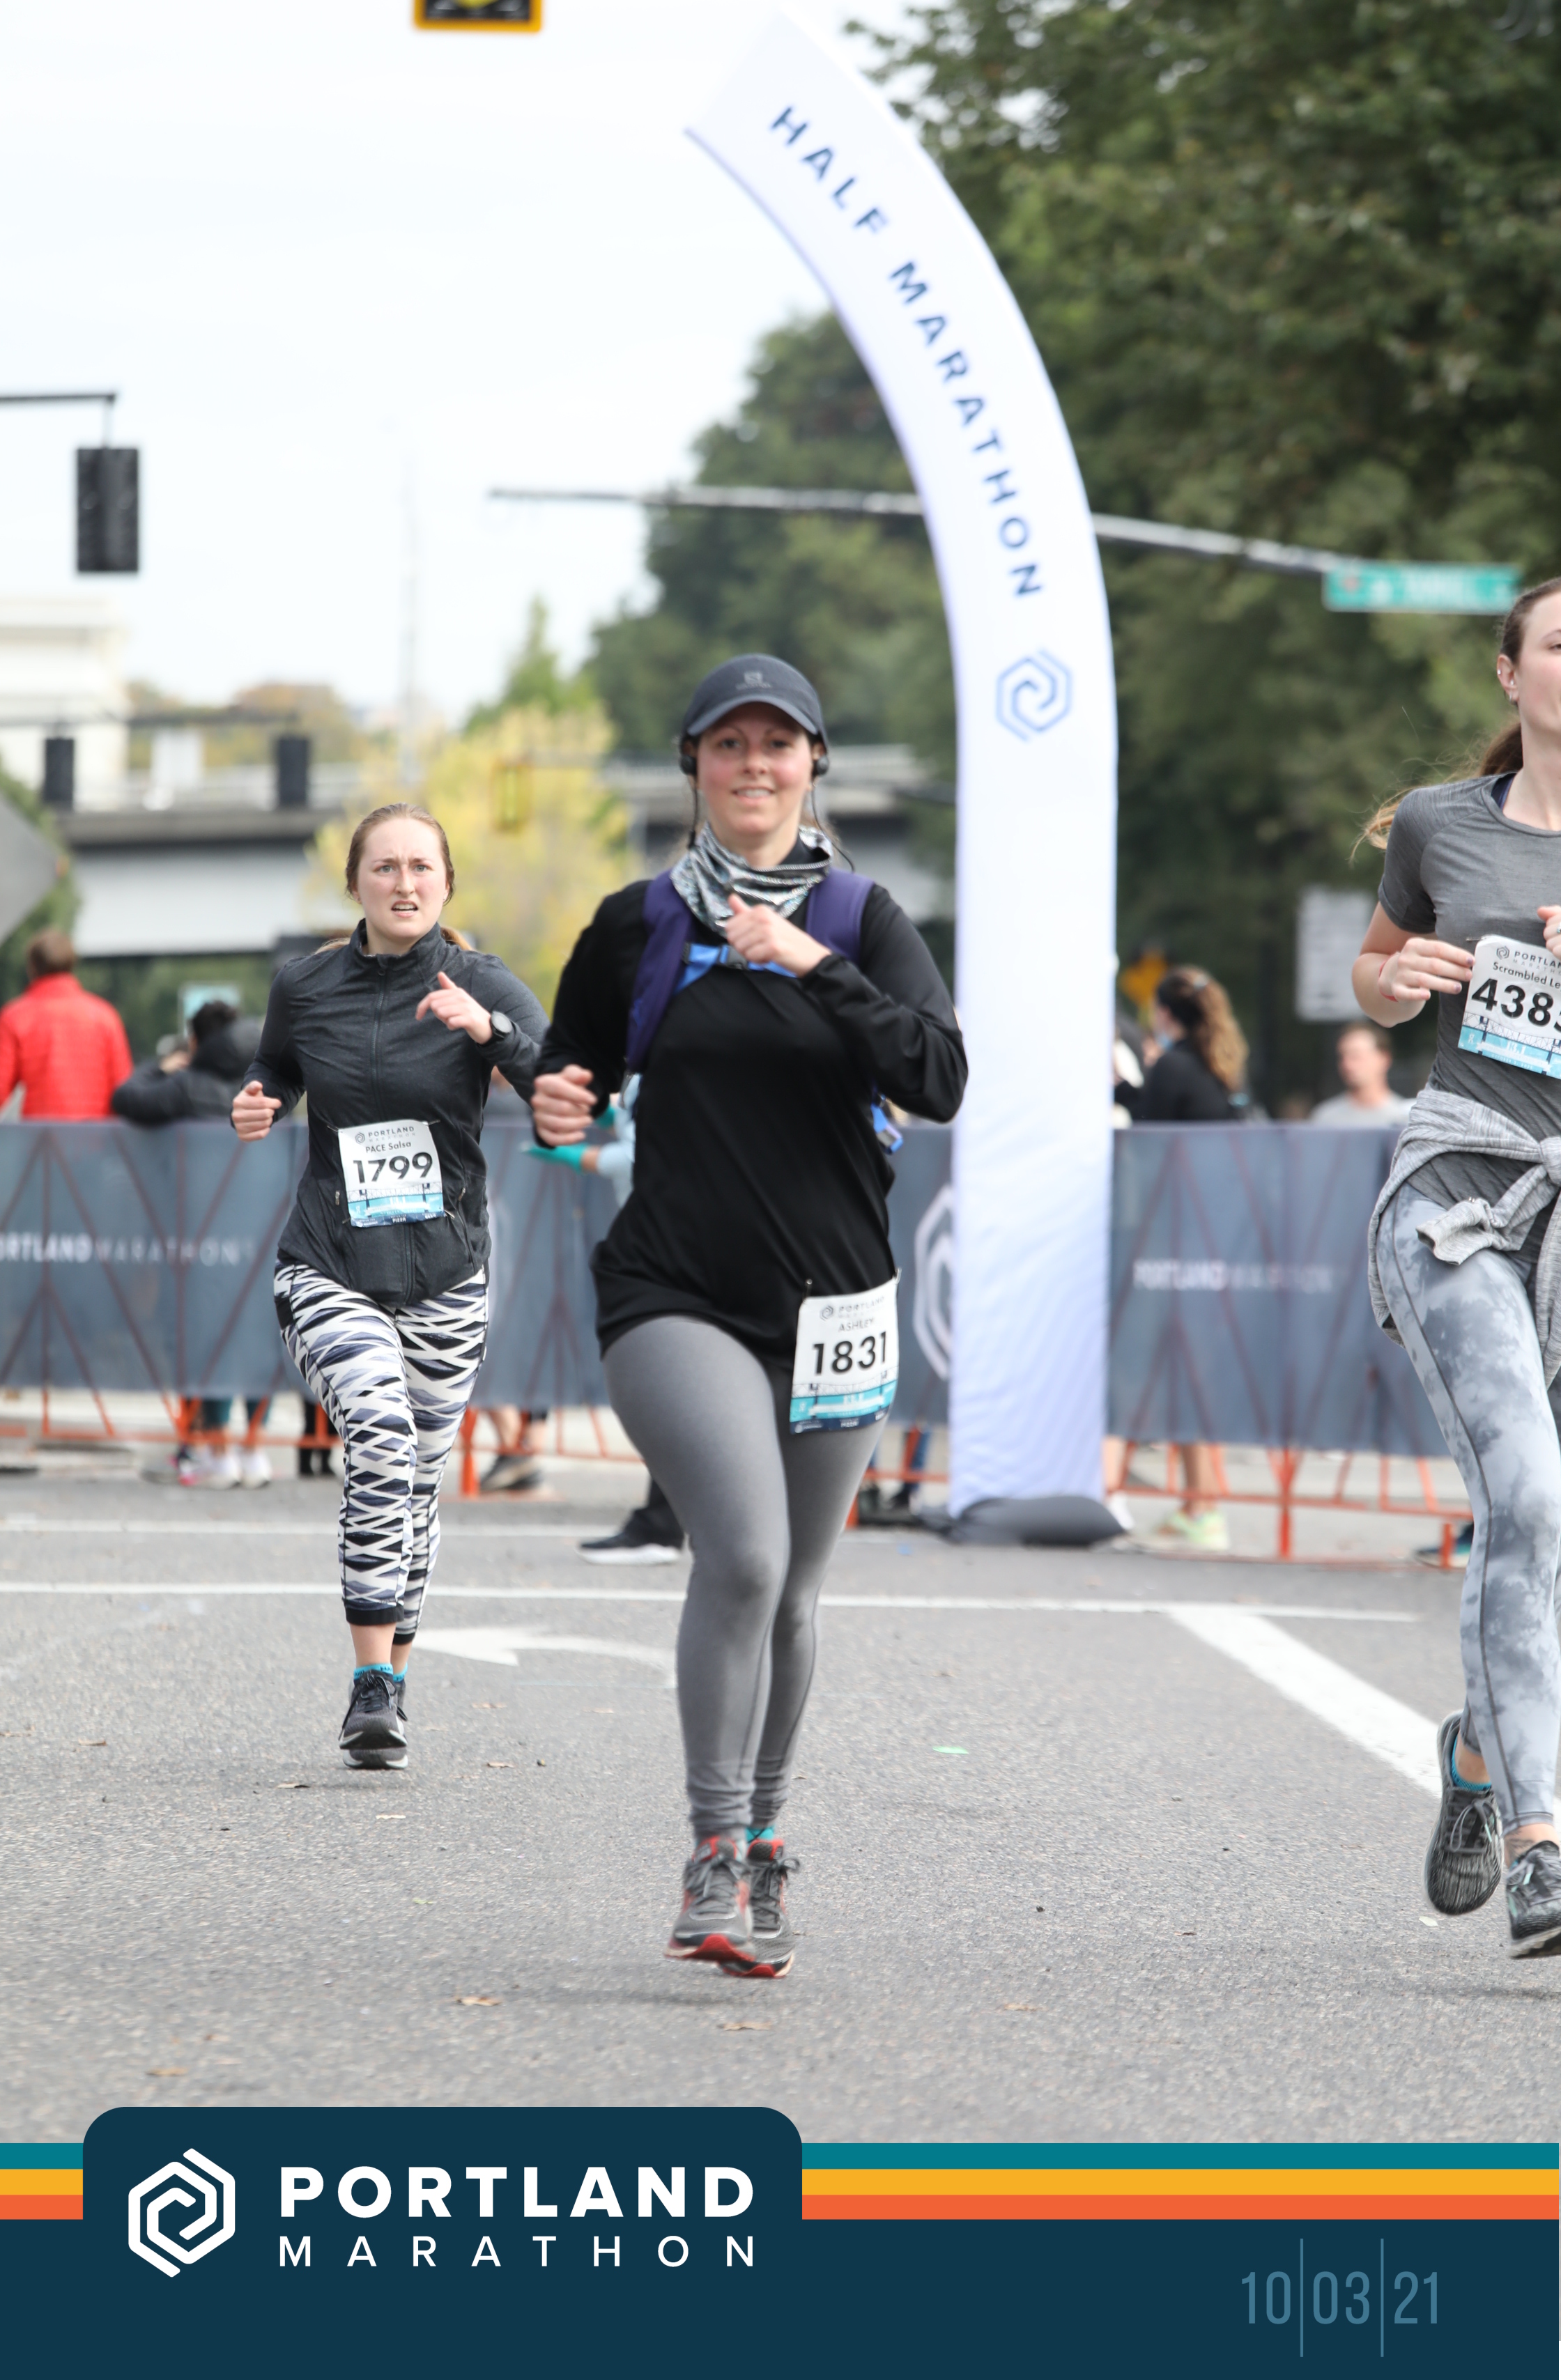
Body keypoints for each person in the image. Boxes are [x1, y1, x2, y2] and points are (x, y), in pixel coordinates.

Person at [532, 653, 966, 1977]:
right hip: (675, 1292)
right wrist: (555, 1103)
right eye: (730, 745)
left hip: (837, 1307)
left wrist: (816, 965)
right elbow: (571, 1079)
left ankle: (768, 1836)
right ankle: (712, 1852)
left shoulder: (864, 917)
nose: (755, 766)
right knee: (744, 1556)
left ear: (813, 765)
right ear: (696, 767)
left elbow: (940, 1077)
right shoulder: (638, 924)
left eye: (779, 745)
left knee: (796, 1589)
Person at [231, 801, 546, 1769]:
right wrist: (262, 1099)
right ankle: (370, 1679)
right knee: (376, 1432)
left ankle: (393, 1685)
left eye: (420, 867)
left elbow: (563, 1081)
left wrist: (489, 1030)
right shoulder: (306, 983)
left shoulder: (482, 980)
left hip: (447, 1270)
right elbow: (276, 1065)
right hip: (330, 1260)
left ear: (446, 882)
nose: (404, 883)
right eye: (385, 867)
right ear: (355, 883)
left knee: (415, 1478)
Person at [1353, 574, 1561, 1958]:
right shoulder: (1442, 822)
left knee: (1548, 1532)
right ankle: (1542, 1841)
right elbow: (1374, 972)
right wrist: (1397, 981)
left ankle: (1481, 1756)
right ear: (1510, 672)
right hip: (1461, 1195)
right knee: (1526, 1493)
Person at [114, 1000, 272, 1488]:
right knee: (254, 1335)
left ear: (198, 1043)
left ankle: (216, 1451)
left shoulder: (188, 1086)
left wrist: (163, 1066)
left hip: (201, 1233)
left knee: (209, 1334)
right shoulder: (265, 1083)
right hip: (259, 1225)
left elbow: (127, 1097)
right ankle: (254, 1451)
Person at [528, 1077, 686, 1563]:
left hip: (674, 1257)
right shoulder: (652, 1059)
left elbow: (642, 1151)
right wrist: (605, 1116)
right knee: (672, 1398)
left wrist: (581, 1155)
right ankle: (668, 1522)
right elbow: (637, 1119)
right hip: (665, 1251)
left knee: (670, 1398)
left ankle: (664, 1525)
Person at [1123, 967, 1247, 1550]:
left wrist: (1132, 1083)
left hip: (1179, 1236)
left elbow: (1148, 1130)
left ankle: (1203, 1506)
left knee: (1185, 1367)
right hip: (1213, 1234)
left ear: (1165, 1013)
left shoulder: (1173, 1066)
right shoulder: (1217, 1066)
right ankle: (1198, 1501)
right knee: (1190, 1365)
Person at [0, 929, 131, 1119]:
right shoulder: (105, 1016)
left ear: (32, 967)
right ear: (72, 964)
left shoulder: (15, 1017)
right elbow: (123, 1090)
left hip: (40, 1135)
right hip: (96, 1134)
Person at [1309, 1021, 1413, 1127]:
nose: (1347, 1065)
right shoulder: (1325, 1118)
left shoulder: (1406, 1118)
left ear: (1384, 1059)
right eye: (1342, 1057)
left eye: (1356, 1056)